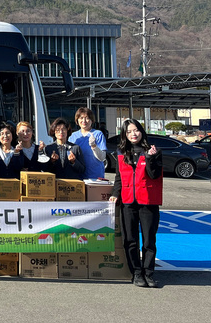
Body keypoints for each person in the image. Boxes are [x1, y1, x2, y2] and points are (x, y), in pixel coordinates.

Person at [109, 119, 163, 288]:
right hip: (128, 202)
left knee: (149, 240)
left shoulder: (153, 150)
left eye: (136, 130)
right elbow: (119, 177)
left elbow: (154, 175)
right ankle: (137, 273)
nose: (133, 134)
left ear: (141, 131)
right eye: (129, 131)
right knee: (130, 239)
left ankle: (149, 273)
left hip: (148, 202)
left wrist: (151, 158)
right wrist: (115, 195)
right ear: (125, 135)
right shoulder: (120, 152)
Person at [68, 107, 107, 179]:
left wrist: (94, 145)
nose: (84, 121)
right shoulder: (73, 136)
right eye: (81, 118)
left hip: (95, 176)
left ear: (92, 120)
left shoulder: (98, 134)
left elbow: (102, 157)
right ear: (77, 120)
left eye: (87, 118)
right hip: (78, 176)